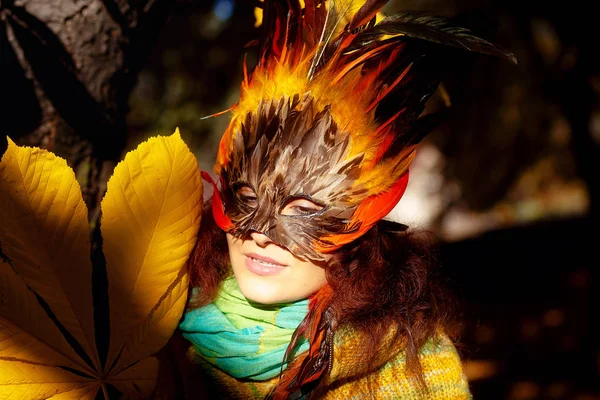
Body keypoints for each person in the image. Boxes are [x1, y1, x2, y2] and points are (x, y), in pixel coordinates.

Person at [171, 1, 515, 398]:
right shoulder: (160, 329)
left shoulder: (413, 369)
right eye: (247, 197)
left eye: (304, 211)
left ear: (365, 218)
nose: (262, 235)